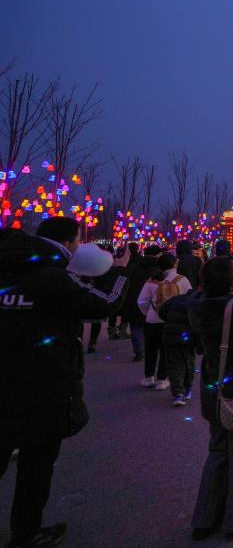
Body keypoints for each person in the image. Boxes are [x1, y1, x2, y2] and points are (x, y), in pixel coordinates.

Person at [0, 218, 130, 547]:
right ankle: (25, 533)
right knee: (35, 466)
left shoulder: (10, 270)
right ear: (73, 242)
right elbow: (103, 305)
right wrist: (119, 270)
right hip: (43, 384)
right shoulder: (51, 277)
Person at [188, 256, 233, 541]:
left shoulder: (198, 305)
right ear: (231, 280)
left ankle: (203, 519)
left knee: (217, 449)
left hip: (211, 388)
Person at [137, 253, 192, 390]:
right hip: (171, 320)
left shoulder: (152, 280)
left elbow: (141, 301)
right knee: (166, 350)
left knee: (150, 349)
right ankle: (162, 379)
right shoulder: (182, 280)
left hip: (152, 320)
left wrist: (148, 312)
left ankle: (148, 377)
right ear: (174, 264)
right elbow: (189, 299)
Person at [160, 288, 199, 407]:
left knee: (175, 366)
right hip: (188, 340)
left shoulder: (175, 299)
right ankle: (187, 390)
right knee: (189, 364)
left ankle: (178, 393)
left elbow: (161, 312)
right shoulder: (196, 304)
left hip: (170, 338)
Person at [124, 245, 161, 362]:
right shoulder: (159, 268)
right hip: (153, 300)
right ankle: (149, 348)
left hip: (134, 298)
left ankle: (139, 350)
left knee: (136, 326)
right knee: (150, 326)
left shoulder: (135, 266)